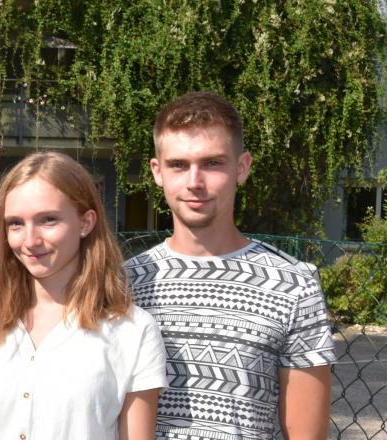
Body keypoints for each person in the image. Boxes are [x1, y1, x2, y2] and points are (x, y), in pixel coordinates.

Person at [125, 91, 334, 440]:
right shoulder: (123, 283)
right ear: (157, 172)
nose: (194, 182)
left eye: (212, 163)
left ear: (242, 167)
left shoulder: (295, 286)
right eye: (179, 165)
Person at [0, 152, 167, 440]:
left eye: (48, 220)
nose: (30, 240)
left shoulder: (133, 330)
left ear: (85, 223)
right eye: (16, 224)